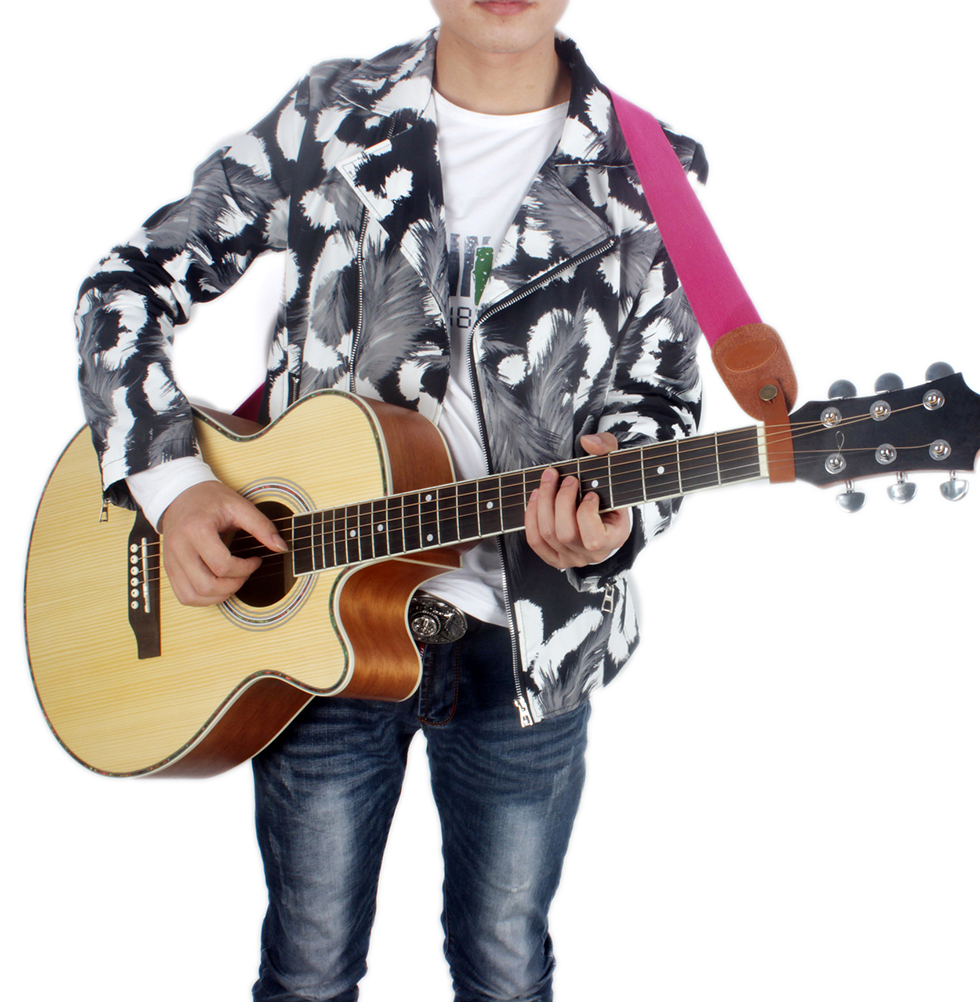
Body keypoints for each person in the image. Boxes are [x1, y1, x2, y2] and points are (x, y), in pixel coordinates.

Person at [75, 1, 704, 998]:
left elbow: (659, 404)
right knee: (307, 968)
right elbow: (128, 283)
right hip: (313, 632)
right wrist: (173, 484)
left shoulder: (653, 171)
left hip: (526, 654)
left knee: (506, 969)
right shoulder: (331, 115)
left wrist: (615, 523)